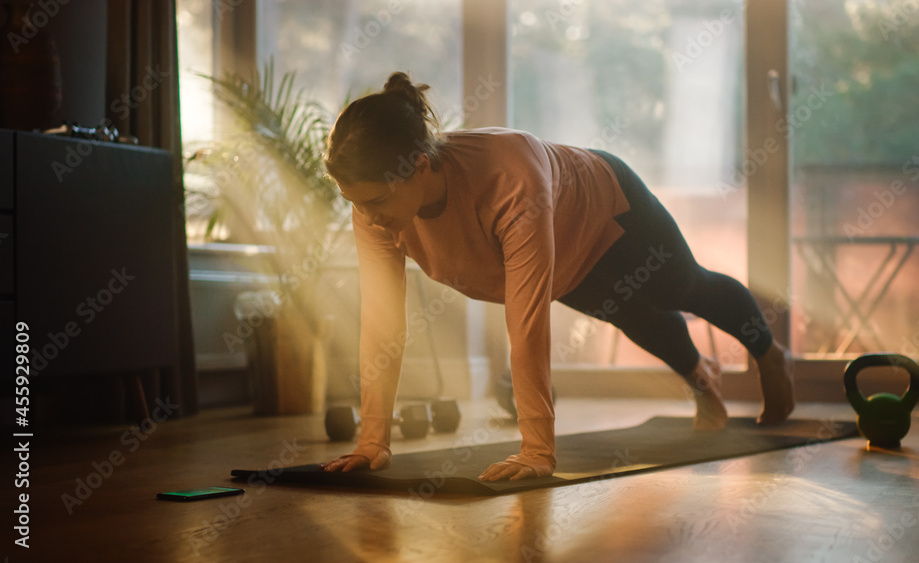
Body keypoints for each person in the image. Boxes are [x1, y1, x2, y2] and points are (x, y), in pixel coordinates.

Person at [320, 72, 795, 482]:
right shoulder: (376, 210)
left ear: (418, 167)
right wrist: (373, 441)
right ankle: (702, 382)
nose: (365, 216)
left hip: (608, 204)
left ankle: (769, 353)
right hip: (566, 248)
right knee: (628, 313)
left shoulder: (509, 177)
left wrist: (537, 449)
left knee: (683, 286)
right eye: (353, 202)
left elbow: (526, 322)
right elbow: (382, 324)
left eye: (375, 202)